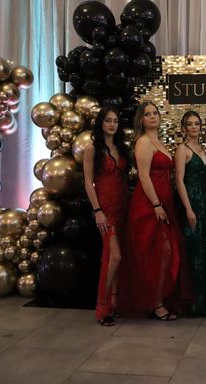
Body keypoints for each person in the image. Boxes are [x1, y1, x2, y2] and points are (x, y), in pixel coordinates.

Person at [126, 101, 193, 320]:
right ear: (141, 119)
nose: (153, 116)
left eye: (155, 113)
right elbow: (144, 176)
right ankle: (155, 303)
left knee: (166, 251)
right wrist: (155, 204)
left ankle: (159, 299)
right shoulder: (144, 142)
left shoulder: (159, 141)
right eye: (148, 114)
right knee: (157, 251)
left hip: (165, 200)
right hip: (149, 202)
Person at [83, 106, 130, 326]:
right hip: (105, 209)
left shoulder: (120, 147)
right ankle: (102, 308)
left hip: (123, 205)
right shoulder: (92, 148)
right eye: (108, 120)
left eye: (115, 121)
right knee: (114, 256)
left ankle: (114, 303)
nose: (112, 124)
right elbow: (88, 182)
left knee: (120, 258)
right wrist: (97, 211)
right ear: (100, 123)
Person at [175, 111, 206, 316]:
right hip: (190, 202)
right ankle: (192, 302)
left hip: (203, 203)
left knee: (203, 250)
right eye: (189, 124)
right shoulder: (183, 149)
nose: (193, 127)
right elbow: (179, 180)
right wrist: (189, 209)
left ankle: (204, 300)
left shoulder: (201, 148)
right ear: (184, 128)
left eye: (197, 123)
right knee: (193, 251)